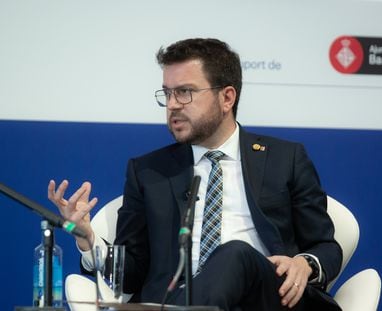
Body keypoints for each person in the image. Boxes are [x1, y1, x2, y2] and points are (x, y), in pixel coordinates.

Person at [48, 38, 342, 310]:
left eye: (185, 92)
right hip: (176, 299)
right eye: (167, 93)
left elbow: (326, 246)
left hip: (269, 297)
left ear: (227, 98)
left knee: (234, 254)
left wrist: (306, 263)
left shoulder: (285, 158)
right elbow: (131, 275)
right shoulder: (148, 172)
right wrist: (88, 239)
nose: (173, 104)